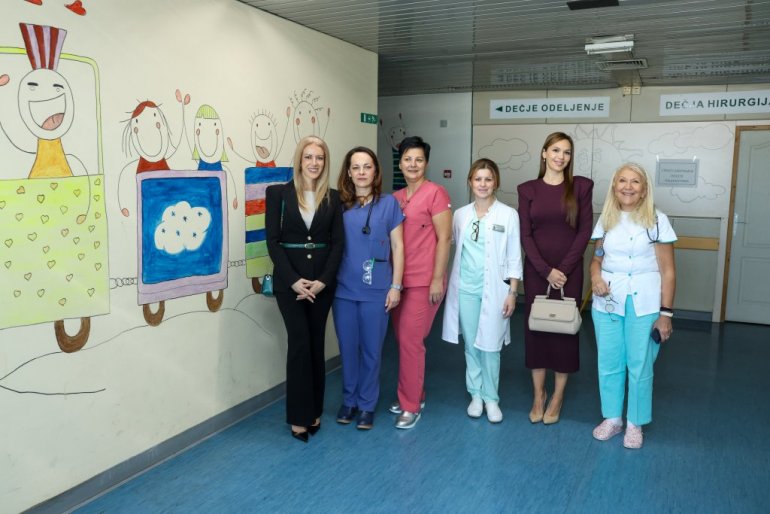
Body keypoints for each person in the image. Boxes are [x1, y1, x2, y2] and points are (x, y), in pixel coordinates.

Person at [589, 162, 676, 449]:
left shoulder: (657, 220)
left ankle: (635, 423)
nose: (628, 186)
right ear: (614, 186)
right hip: (608, 301)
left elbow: (668, 271)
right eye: (622, 181)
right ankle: (613, 418)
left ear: (644, 189)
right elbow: (597, 259)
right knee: (609, 362)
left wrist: (665, 314)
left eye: (635, 181)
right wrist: (595, 277)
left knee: (640, 364)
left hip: (645, 302)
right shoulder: (606, 219)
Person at [265, 136, 344, 443]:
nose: (314, 163)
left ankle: (314, 411)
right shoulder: (278, 194)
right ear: (299, 159)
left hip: (322, 284)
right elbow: (273, 241)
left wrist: (323, 280)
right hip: (291, 284)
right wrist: (293, 280)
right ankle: (299, 416)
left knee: (315, 344)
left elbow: (337, 243)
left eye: (320, 158)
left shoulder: (333, 198)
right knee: (299, 344)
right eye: (309, 157)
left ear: (325, 162)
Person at [517, 132, 593, 425]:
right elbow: (525, 235)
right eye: (556, 150)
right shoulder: (528, 189)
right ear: (544, 153)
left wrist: (563, 269)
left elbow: (584, 232)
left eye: (567, 152)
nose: (561, 157)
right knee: (536, 331)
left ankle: (558, 396)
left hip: (569, 273)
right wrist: (545, 270)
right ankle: (539, 394)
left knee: (564, 332)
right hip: (537, 271)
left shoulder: (581, 187)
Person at [442, 159, 522, 423]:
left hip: (496, 290)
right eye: (478, 179)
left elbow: (514, 256)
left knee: (491, 345)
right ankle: (476, 394)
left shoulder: (508, 215)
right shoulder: (460, 215)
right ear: (470, 182)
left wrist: (513, 292)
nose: (483, 184)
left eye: (488, 179)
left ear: (495, 182)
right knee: (471, 344)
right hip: (466, 288)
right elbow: (450, 245)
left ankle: (491, 398)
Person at [333, 146, 405, 430]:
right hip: (343, 290)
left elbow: (398, 246)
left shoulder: (389, 204)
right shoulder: (338, 204)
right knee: (348, 349)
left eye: (367, 166)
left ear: (375, 171)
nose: (361, 172)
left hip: (377, 290)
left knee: (372, 350)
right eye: (356, 167)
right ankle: (349, 400)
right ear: (348, 173)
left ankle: (366, 404)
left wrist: (396, 286)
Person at [389, 136, 452, 429]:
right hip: (398, 281)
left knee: (411, 341)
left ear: (426, 163)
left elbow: (445, 238)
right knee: (404, 340)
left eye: (419, 159)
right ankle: (416, 394)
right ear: (400, 163)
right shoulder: (395, 197)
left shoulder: (436, 193)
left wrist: (437, 278)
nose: (413, 164)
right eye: (407, 159)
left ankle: (410, 405)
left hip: (425, 280)